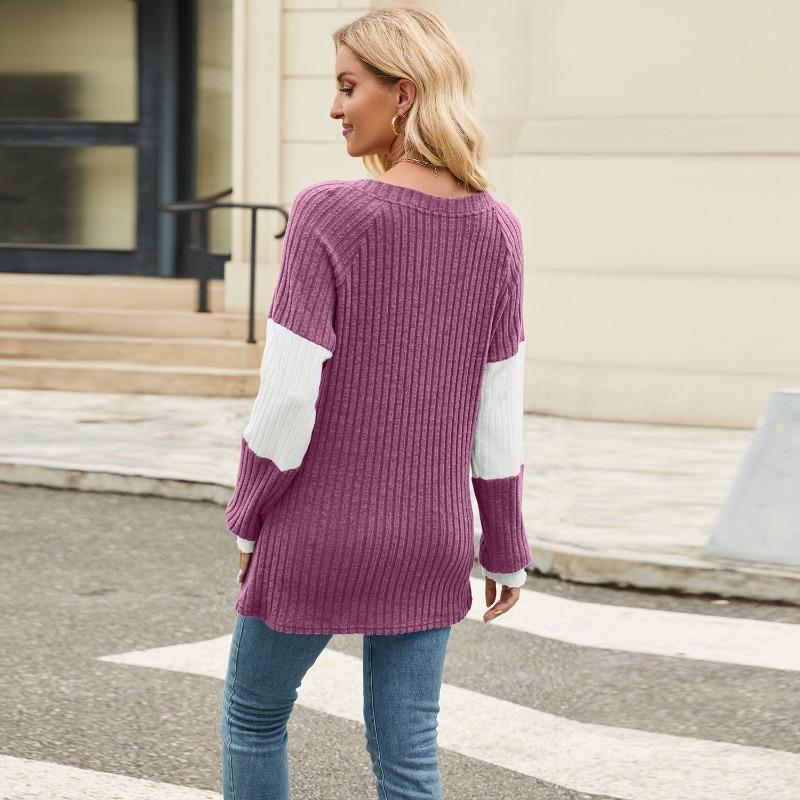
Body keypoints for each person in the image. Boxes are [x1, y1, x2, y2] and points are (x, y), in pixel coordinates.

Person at [220, 7, 531, 799]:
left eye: (348, 86)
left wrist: (250, 514)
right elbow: (499, 407)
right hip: (431, 538)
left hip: (316, 531)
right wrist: (504, 545)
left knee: (255, 719)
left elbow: (288, 396)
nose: (334, 107)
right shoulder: (499, 229)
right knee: (409, 757)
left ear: (404, 94)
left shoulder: (328, 212)